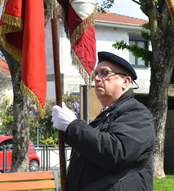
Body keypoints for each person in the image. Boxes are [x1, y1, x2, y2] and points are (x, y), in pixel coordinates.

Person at [52, 51, 155, 191]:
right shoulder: (104, 116)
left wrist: (73, 126)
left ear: (126, 82)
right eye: (96, 74)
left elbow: (116, 153)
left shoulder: (138, 113)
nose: (98, 78)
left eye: (105, 73)